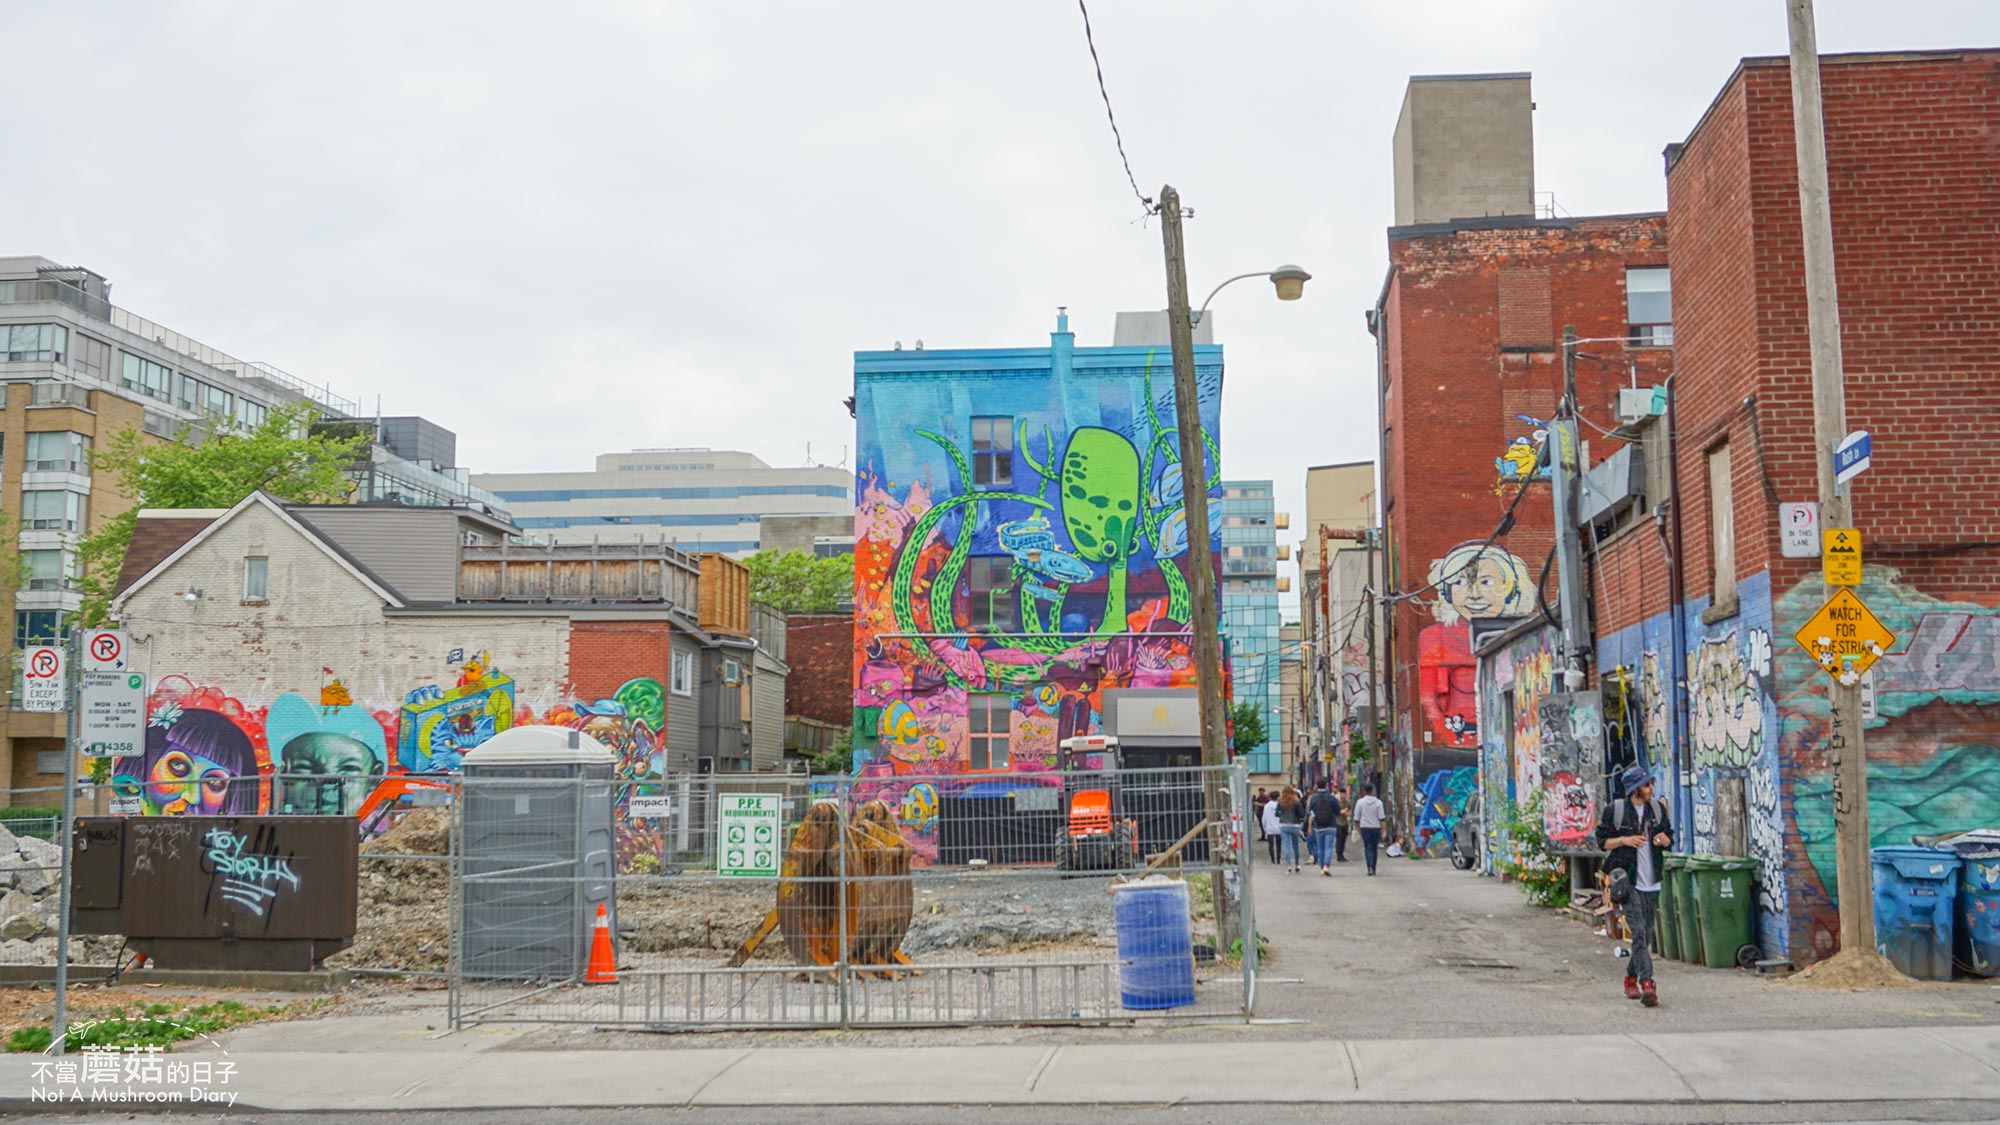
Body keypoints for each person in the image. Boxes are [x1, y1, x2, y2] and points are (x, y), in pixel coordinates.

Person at [1597, 763, 1674, 1008]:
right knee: (1639, 931)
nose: (1651, 788)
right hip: (1627, 881)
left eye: (1651, 783)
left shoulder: (1657, 810)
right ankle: (1648, 983)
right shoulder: (1616, 811)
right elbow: (1602, 842)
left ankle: (1630, 978)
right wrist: (1624, 840)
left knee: (1645, 935)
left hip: (1652, 881)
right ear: (1634, 789)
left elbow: (1669, 836)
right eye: (1646, 784)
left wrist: (1664, 840)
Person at [1353, 784, 1387, 875]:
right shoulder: (1378, 803)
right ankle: (1374, 867)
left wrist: (1356, 828)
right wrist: (1384, 830)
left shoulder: (1360, 802)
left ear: (1364, 791)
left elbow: (1356, 817)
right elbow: (1382, 818)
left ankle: (1369, 868)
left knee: (1368, 847)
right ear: (1372, 791)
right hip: (1376, 827)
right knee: (1374, 848)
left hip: (1365, 827)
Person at [1307, 784, 1339, 876]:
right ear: (1326, 786)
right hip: (1330, 825)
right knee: (1328, 847)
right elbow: (1337, 810)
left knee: (1320, 847)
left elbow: (1310, 811)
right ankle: (1326, 866)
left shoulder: (1313, 798)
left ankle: (1322, 867)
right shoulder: (1331, 797)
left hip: (1318, 826)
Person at [1275, 786, 1307, 873]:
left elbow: (1276, 813)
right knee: (1295, 846)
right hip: (1295, 826)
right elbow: (1301, 814)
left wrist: (1281, 815)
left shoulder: (1280, 802)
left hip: (1283, 825)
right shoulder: (1296, 801)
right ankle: (1297, 864)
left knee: (1286, 846)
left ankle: (1288, 865)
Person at [1261, 791, 1283, 863]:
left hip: (1269, 828)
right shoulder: (1280, 805)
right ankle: (1278, 859)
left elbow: (1264, 818)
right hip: (1279, 828)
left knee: (1271, 845)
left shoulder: (1267, 806)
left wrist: (1265, 827)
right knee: (1278, 845)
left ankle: (1272, 859)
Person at [1333, 784, 1352, 863]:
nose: (1343, 796)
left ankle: (1342, 854)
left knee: (1344, 839)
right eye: (1341, 794)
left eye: (1344, 794)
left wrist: (1346, 814)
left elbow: (1349, 813)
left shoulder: (1347, 803)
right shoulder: (1336, 802)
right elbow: (1335, 812)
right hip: (1338, 823)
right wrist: (1342, 812)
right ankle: (1338, 854)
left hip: (1345, 823)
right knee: (1339, 839)